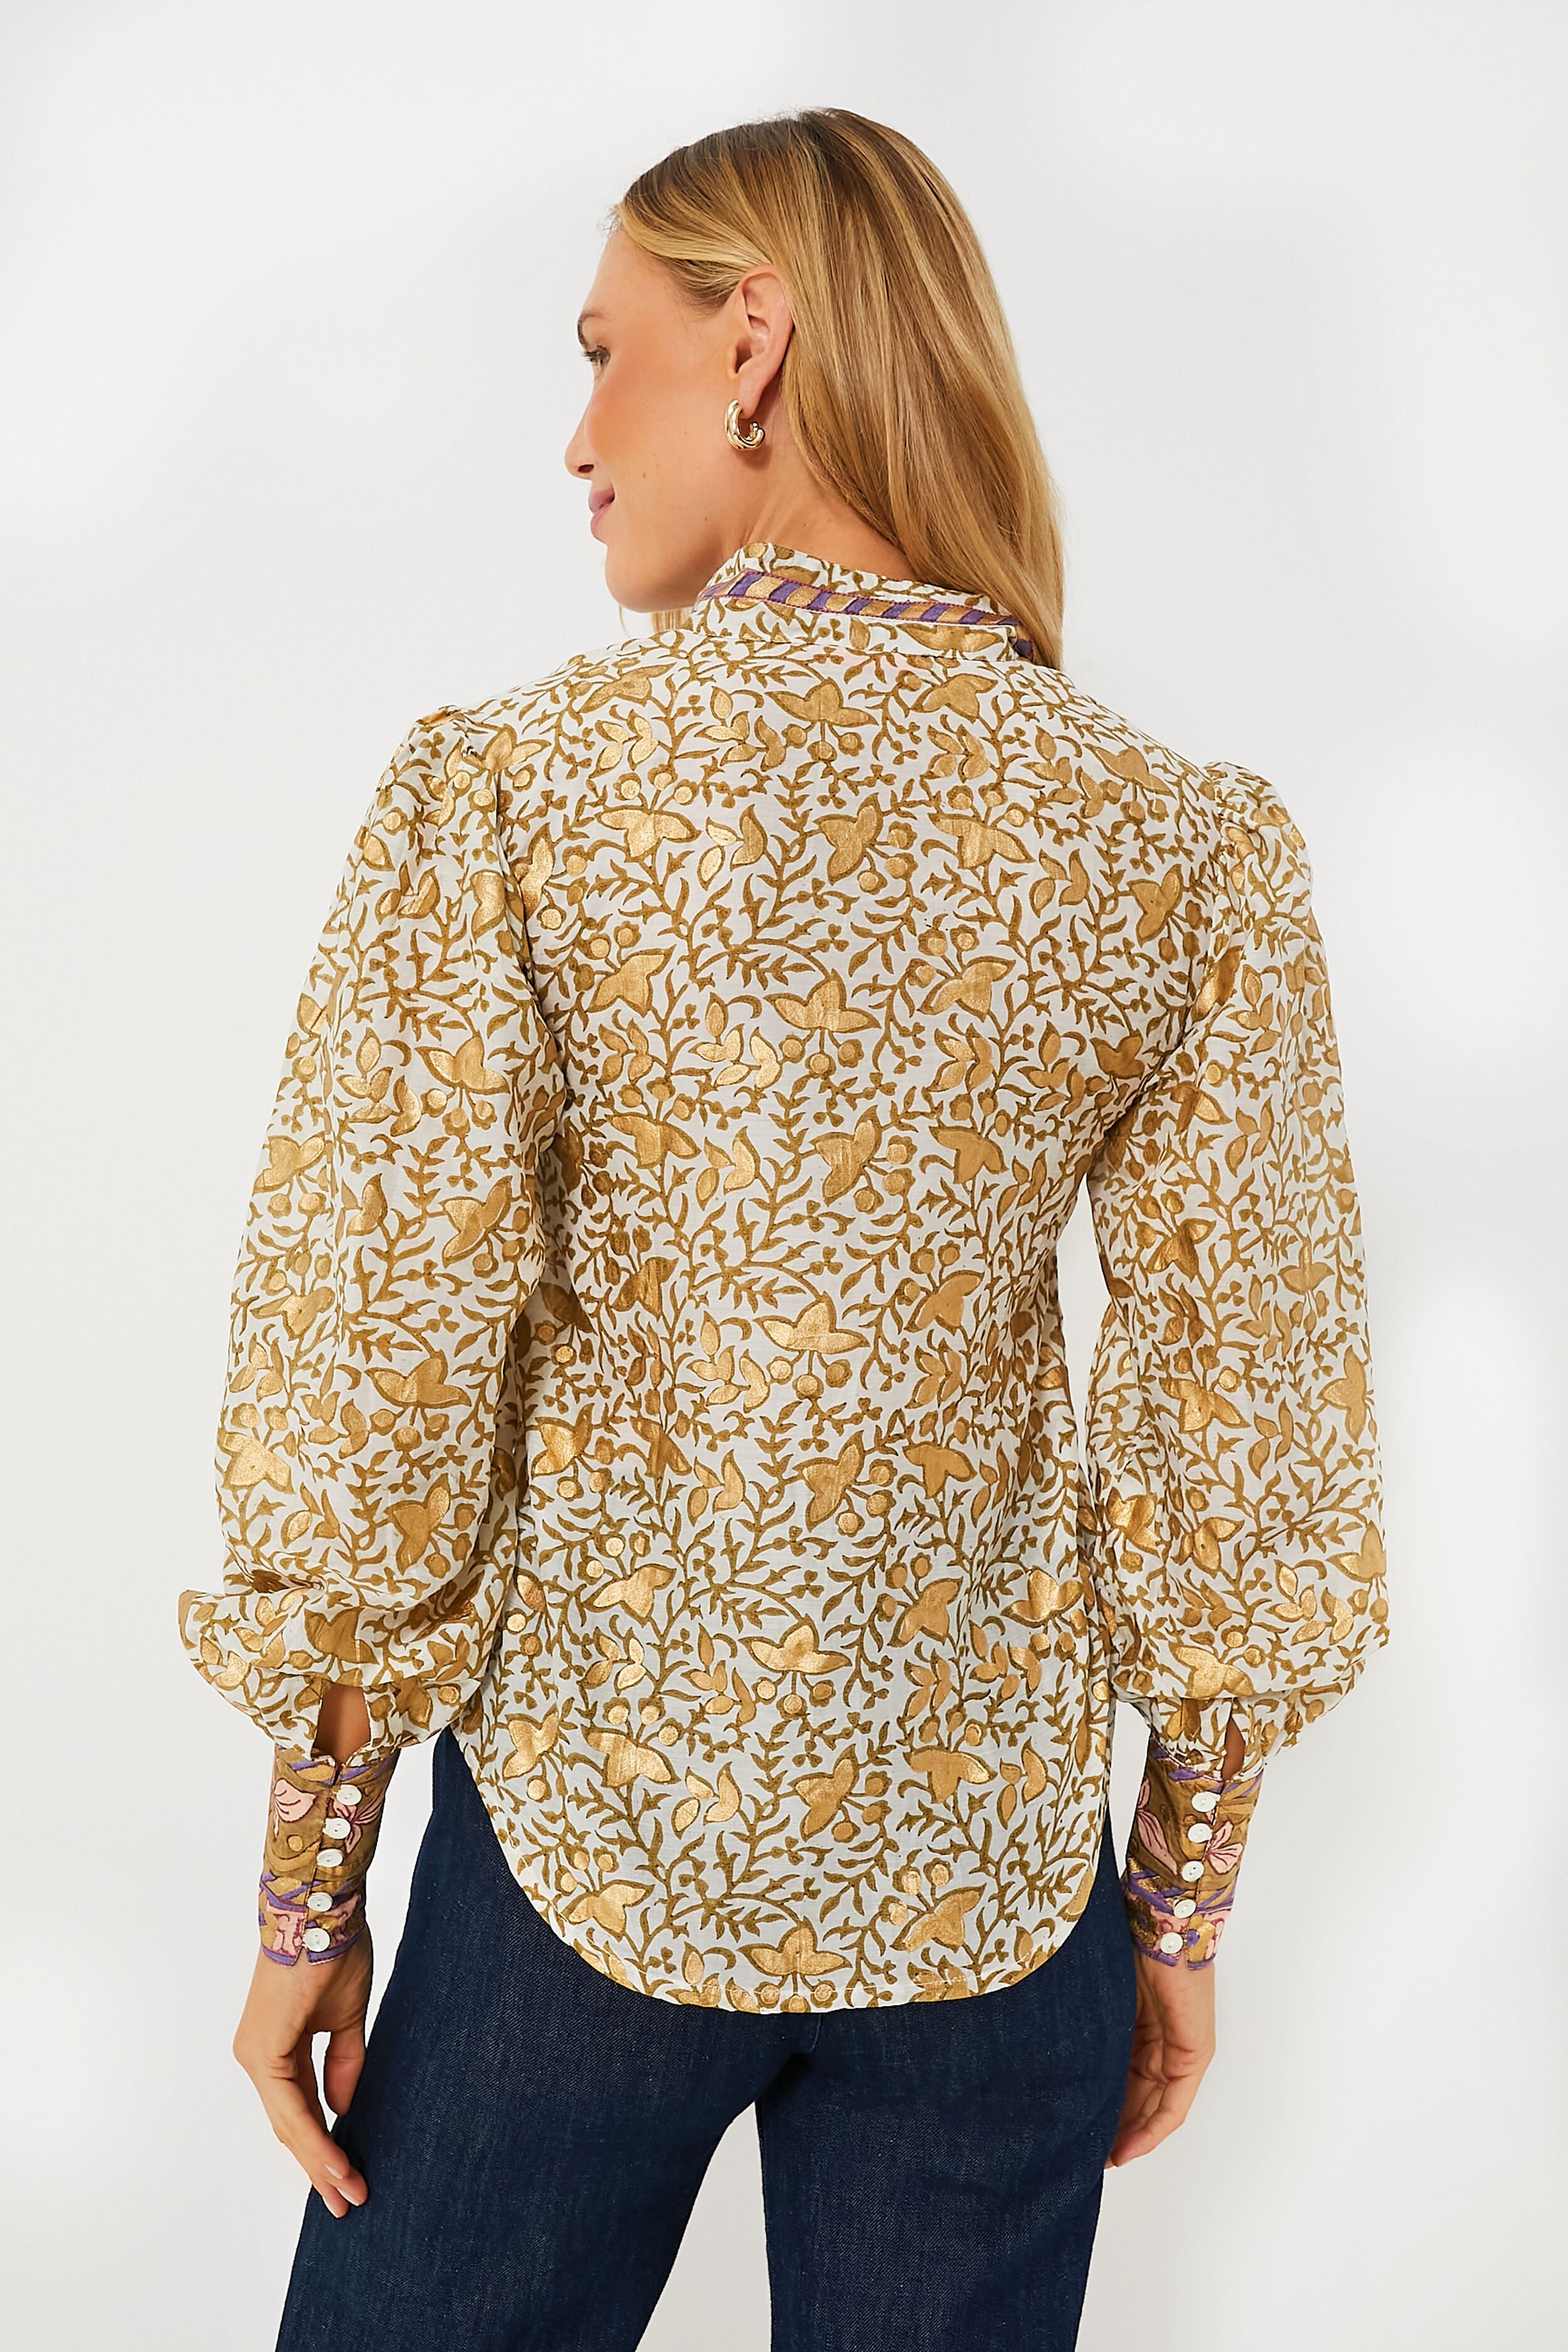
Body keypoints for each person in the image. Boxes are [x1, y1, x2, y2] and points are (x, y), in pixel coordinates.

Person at [179, 107, 1387, 2352]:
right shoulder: (1172, 844)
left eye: (601, 352)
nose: (574, 437)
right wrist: (1177, 1905)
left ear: (754, 343)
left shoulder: (522, 797)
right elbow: (1248, 1424)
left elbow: (378, 1372)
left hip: (586, 1872)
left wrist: (308, 1894)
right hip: (996, 1910)